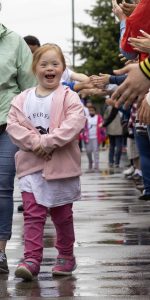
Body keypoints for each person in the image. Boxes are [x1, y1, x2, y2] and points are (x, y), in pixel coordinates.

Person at [6, 43, 86, 280]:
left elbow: (75, 122)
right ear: (34, 69)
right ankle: (31, 259)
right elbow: (13, 125)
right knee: (33, 215)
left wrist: (48, 142)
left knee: (62, 216)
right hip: (31, 167)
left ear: (63, 69)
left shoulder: (69, 97)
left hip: (61, 168)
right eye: (44, 64)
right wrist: (34, 142)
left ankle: (65, 256)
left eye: (55, 64)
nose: (49, 68)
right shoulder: (23, 99)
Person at [0, 4, 36, 273]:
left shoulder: (14, 41)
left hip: (7, 125)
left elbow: (28, 88)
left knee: (2, 187)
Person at [83, 105, 105, 172]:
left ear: (95, 111)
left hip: (96, 137)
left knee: (96, 151)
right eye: (90, 111)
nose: (91, 112)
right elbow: (83, 127)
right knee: (88, 151)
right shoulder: (86, 118)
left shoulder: (98, 117)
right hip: (88, 138)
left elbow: (103, 127)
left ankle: (96, 165)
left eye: (92, 110)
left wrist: (103, 136)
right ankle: (90, 162)